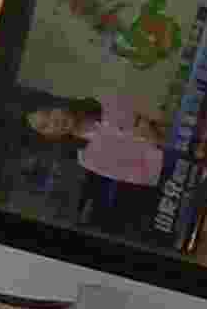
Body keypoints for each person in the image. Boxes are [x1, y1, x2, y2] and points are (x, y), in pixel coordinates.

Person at [21, 91, 169, 235]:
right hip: (172, 169)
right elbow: (147, 175)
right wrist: (152, 139)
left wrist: (149, 125)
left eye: (48, 113)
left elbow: (162, 111)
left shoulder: (108, 102)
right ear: (48, 136)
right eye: (45, 126)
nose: (54, 122)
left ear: (58, 103)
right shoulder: (87, 158)